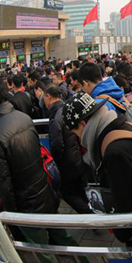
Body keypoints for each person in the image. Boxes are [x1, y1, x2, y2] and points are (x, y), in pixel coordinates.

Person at [0, 81, 102, 263]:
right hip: (44, 191)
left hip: (25, 204)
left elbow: (3, 181)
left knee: (44, 253)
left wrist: (12, 214)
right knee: (64, 237)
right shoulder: (23, 118)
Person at [63, 93, 132, 247]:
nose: (78, 139)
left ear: (82, 124)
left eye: (75, 133)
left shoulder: (114, 152)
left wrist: (123, 234)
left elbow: (127, 203)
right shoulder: (121, 126)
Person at [44, 84, 92, 214]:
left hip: (67, 163)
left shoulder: (55, 117)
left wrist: (57, 162)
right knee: (81, 191)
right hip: (78, 158)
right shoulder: (67, 109)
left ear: (48, 96)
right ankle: (92, 213)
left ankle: (89, 215)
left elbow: (57, 145)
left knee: (69, 194)